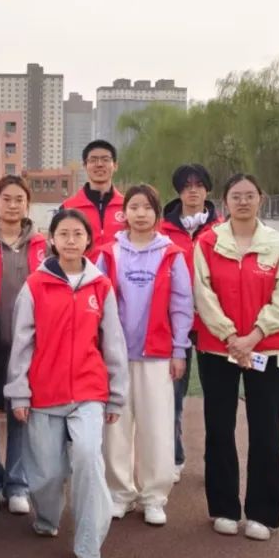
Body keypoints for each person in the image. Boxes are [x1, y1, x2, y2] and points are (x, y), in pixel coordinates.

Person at [4, 208, 128, 558]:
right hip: (45, 391)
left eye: (78, 234)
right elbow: (22, 342)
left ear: (88, 240)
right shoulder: (35, 286)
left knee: (88, 459)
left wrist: (116, 394)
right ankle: (47, 516)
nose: (71, 240)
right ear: (52, 240)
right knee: (46, 472)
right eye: (64, 234)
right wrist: (19, 392)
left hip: (88, 390)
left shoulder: (100, 286)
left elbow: (113, 343)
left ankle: (89, 547)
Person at [194, 174, 279, 541]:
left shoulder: (277, 244)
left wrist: (255, 335)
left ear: (261, 199)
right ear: (224, 202)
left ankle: (263, 513)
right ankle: (224, 508)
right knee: (219, 429)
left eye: (249, 195)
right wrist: (229, 336)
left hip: (266, 349)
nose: (243, 201)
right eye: (236, 196)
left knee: (266, 430)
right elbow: (203, 293)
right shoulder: (208, 242)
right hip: (217, 348)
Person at [95, 184, 193, 527]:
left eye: (147, 207)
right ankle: (119, 493)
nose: (140, 213)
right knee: (116, 428)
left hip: (158, 355)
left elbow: (182, 305)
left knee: (157, 427)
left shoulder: (171, 254)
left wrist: (179, 350)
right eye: (133, 207)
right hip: (116, 356)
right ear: (124, 213)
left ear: (157, 213)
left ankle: (154, 497)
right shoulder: (108, 253)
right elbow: (96, 304)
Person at [0, 175, 47, 515]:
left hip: (29, 343)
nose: (13, 205)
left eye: (19, 199)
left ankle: (17, 483)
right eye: (7, 198)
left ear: (28, 204)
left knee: (21, 412)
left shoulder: (42, 245)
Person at [158, 164, 223, 481]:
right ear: (179, 191)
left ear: (207, 189)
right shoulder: (161, 231)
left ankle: (218, 461)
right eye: (186, 185)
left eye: (198, 184)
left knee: (218, 398)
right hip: (175, 325)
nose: (193, 190)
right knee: (172, 394)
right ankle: (173, 455)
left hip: (213, 324)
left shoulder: (222, 230)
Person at [61, 140, 126, 258]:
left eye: (105, 159)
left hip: (118, 270)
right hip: (81, 269)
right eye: (93, 160)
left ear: (115, 165)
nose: (99, 164)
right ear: (85, 166)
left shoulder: (127, 207)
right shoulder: (68, 208)